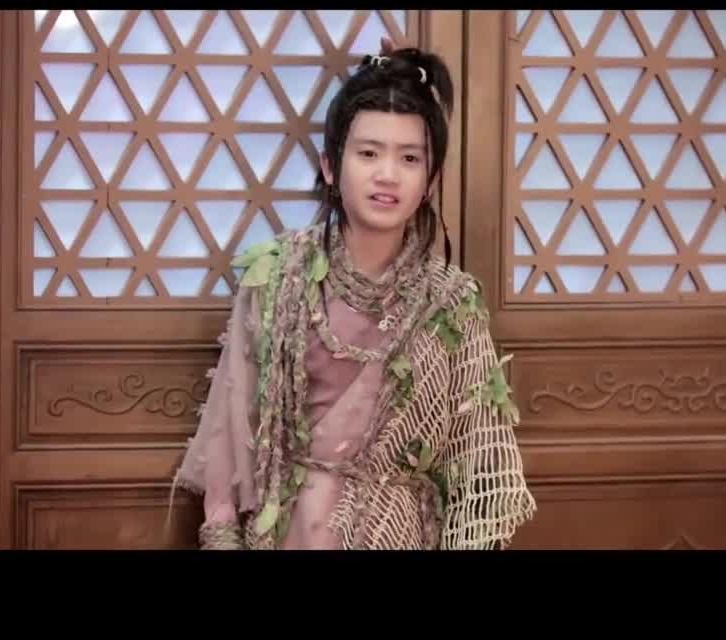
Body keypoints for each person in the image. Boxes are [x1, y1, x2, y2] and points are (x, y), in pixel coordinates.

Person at [171, 40, 536, 550]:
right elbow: (231, 440)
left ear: (430, 181)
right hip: (290, 534)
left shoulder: (452, 303)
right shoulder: (278, 279)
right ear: (330, 166)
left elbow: (477, 470)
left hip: (400, 536)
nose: (387, 174)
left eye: (409, 158)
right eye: (368, 153)